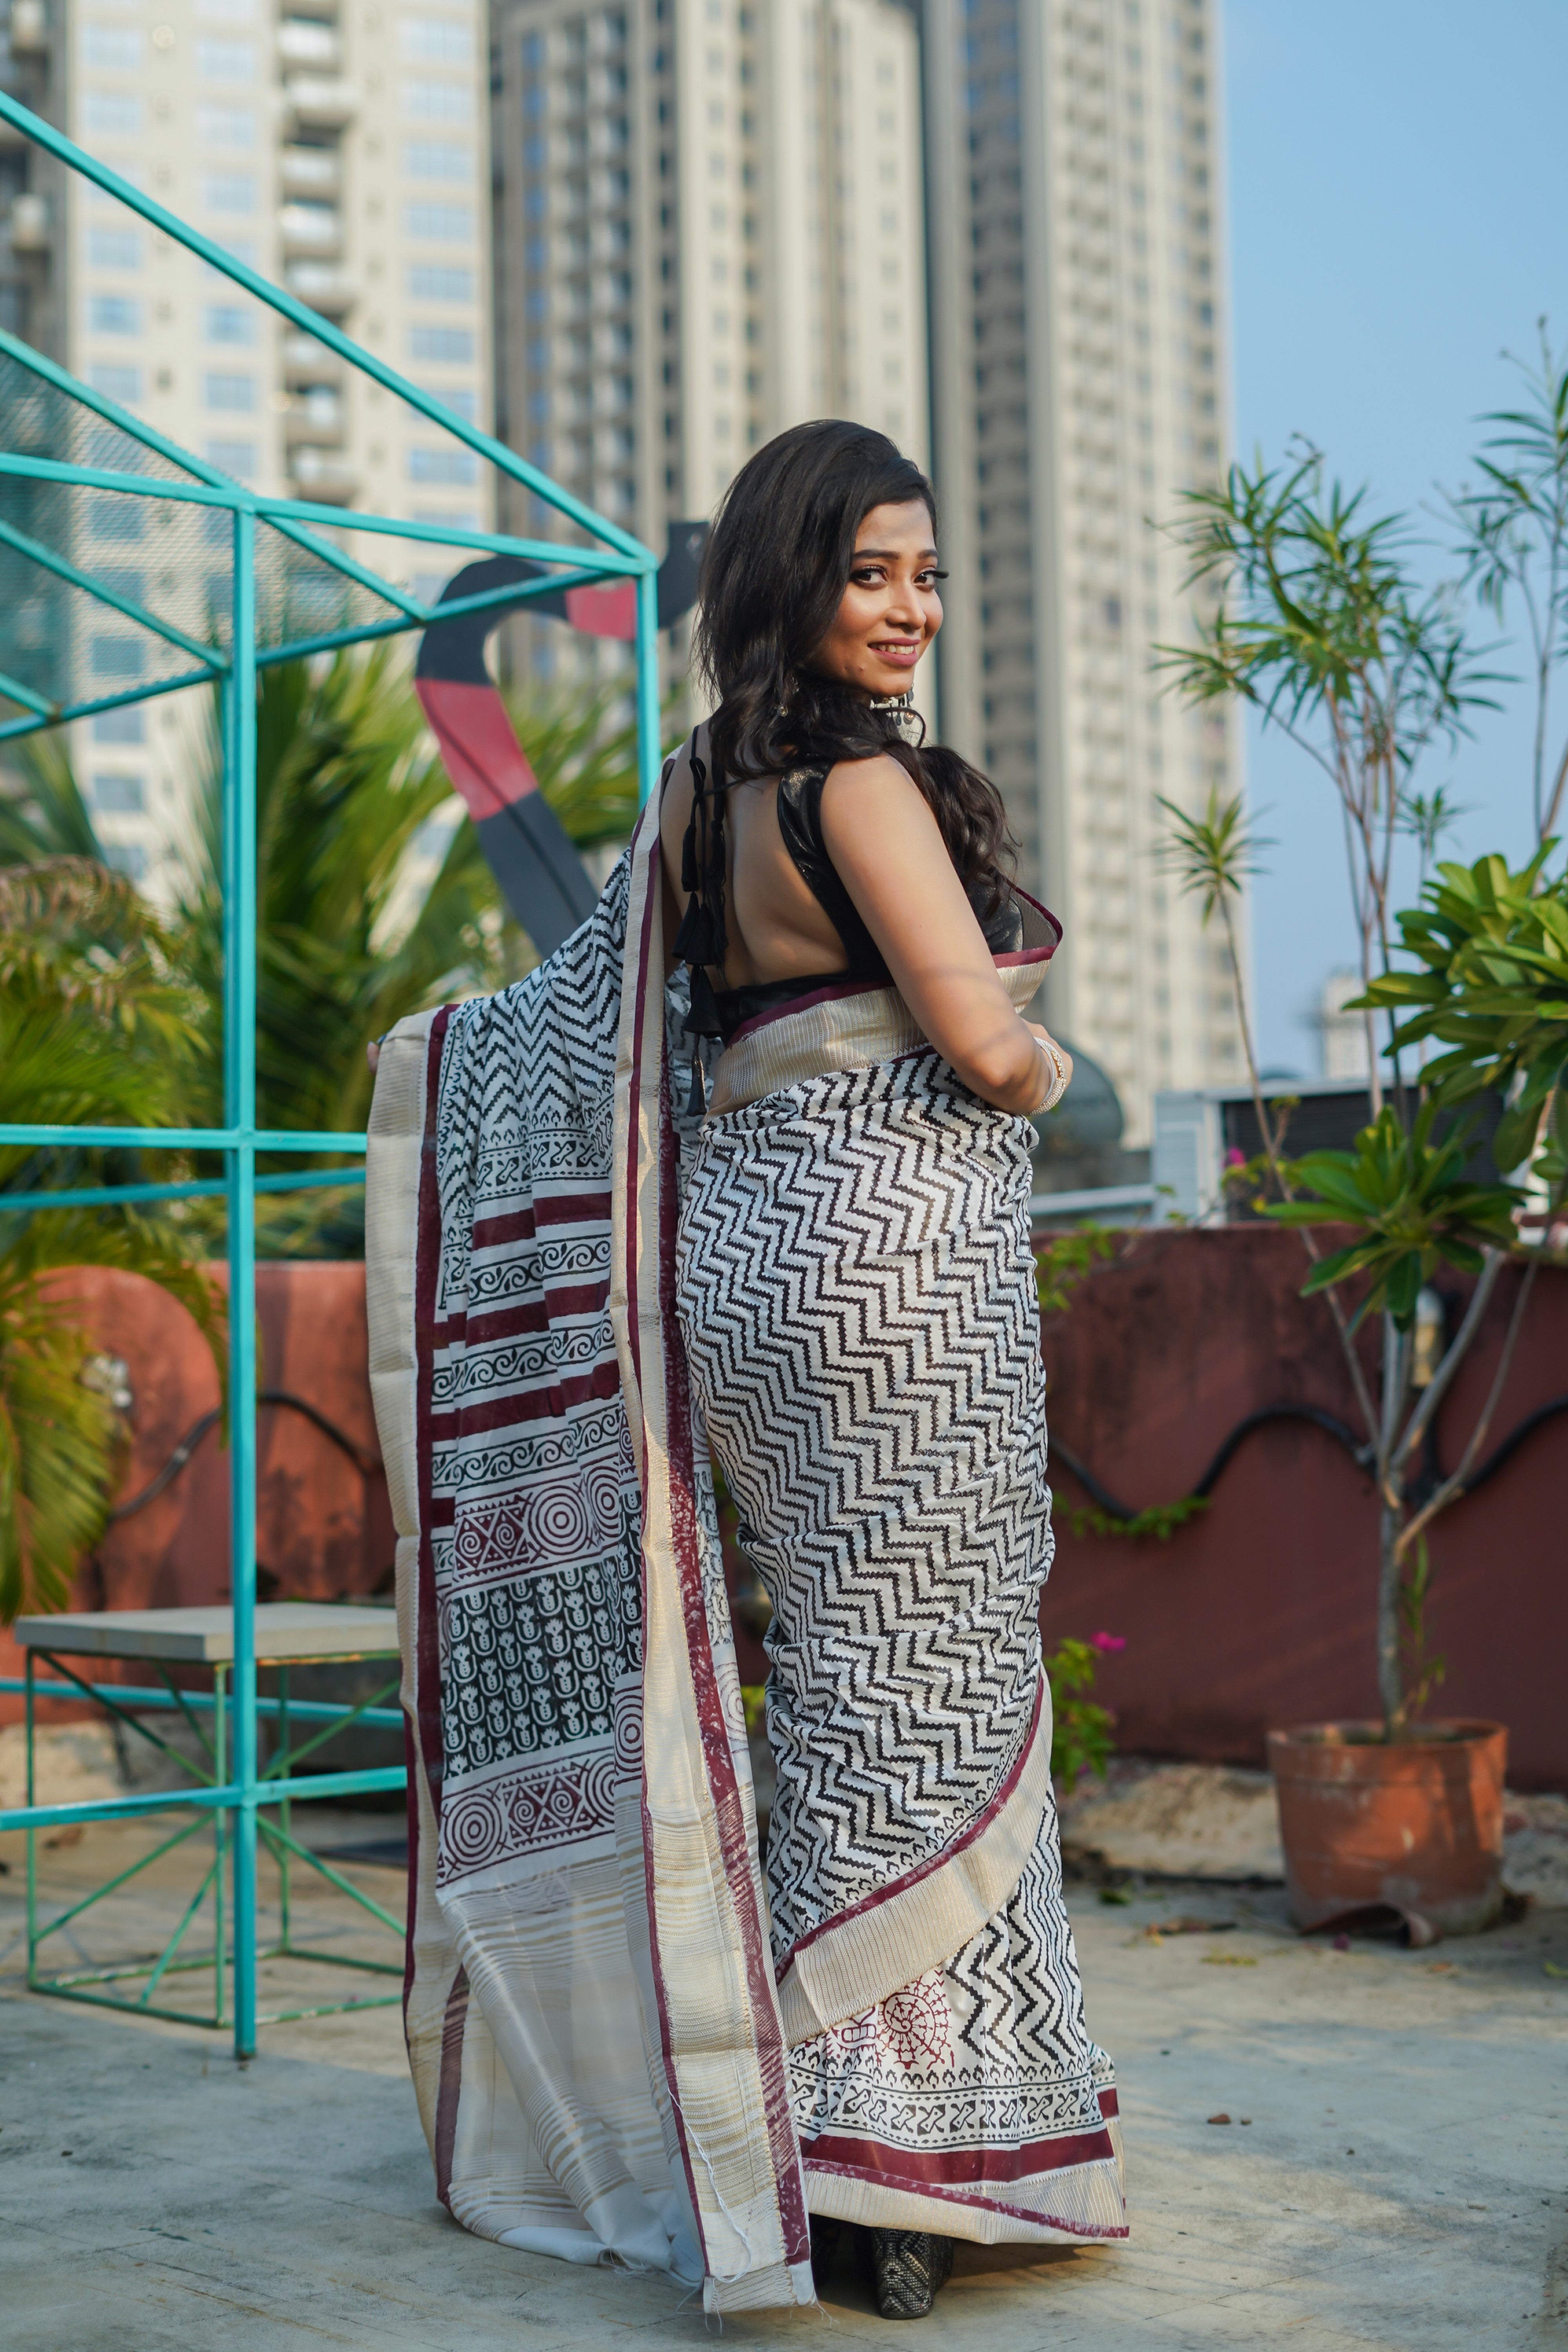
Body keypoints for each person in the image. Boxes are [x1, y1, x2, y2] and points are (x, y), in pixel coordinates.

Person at [366, 420, 1123, 2327]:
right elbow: (971, 1035)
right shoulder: (855, 784)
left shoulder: (694, 795)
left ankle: (798, 2125)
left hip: (747, 1266)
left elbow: (584, 1024)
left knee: (841, 1672)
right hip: (893, 1269)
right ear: (792, 576)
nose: (910, 609)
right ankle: (895, 2156)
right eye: (873, 571)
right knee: (936, 1681)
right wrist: (1035, 1058)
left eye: (928, 576)